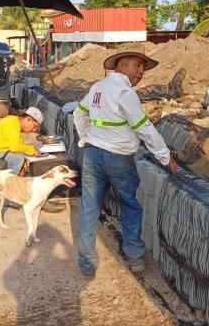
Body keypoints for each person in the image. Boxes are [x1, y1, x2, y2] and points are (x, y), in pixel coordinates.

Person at [73, 48, 177, 279]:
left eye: (142, 67)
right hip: (119, 158)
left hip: (92, 155)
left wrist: (85, 139)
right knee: (131, 205)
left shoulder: (97, 88)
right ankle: (135, 257)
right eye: (137, 66)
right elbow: (144, 127)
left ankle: (87, 264)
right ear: (122, 66)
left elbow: (78, 113)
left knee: (90, 208)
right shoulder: (125, 93)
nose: (141, 72)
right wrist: (165, 156)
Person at [0, 107, 44, 176]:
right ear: (28, 119)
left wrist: (22, 166)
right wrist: (33, 150)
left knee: (20, 158)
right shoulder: (12, 123)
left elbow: (17, 148)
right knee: (18, 159)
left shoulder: (15, 124)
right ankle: (8, 182)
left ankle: (12, 178)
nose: (34, 130)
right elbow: (15, 147)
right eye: (34, 126)